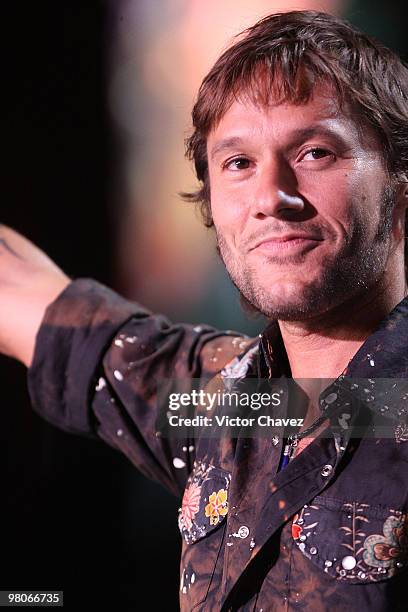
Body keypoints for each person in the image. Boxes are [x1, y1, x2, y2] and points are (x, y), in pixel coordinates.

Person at [1, 9, 408, 611]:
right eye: (238, 163)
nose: (272, 196)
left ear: (400, 181)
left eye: (316, 152)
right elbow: (20, 292)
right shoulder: (237, 403)